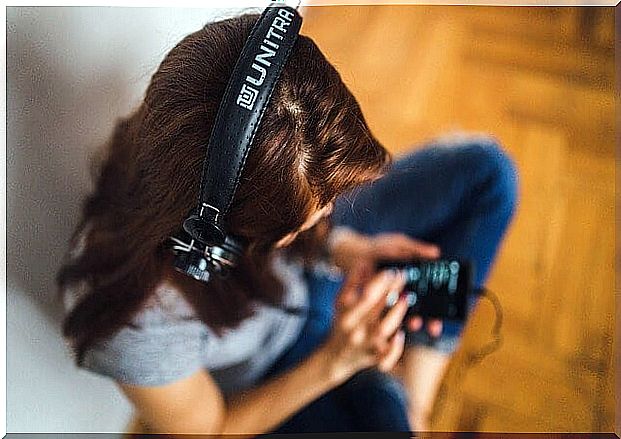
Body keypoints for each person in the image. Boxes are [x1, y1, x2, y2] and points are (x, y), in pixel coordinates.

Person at [58, 11, 518, 436]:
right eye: (304, 221)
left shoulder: (188, 151)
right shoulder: (129, 326)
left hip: (305, 278)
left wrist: (339, 247)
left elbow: (314, 221)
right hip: (282, 368)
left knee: (487, 174)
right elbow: (213, 429)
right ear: (214, 246)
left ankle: (413, 397)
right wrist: (335, 362)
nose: (327, 217)